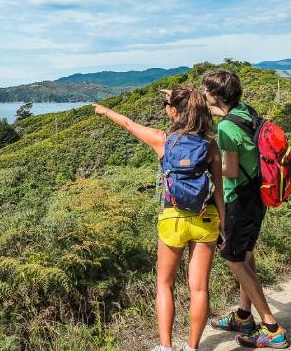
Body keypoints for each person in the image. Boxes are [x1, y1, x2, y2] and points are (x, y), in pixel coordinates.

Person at [94, 87, 225, 351]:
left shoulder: (163, 140)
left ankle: (165, 347)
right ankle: (192, 347)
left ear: (174, 111)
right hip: (205, 218)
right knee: (199, 289)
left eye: (168, 105)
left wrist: (104, 110)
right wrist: (224, 225)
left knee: (164, 285)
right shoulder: (210, 145)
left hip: (172, 219)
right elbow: (219, 191)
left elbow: (129, 124)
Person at [202, 70, 291, 349]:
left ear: (216, 95)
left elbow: (228, 168)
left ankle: (272, 327)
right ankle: (243, 316)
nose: (203, 93)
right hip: (257, 194)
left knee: (233, 258)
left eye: (205, 90)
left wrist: (206, 162)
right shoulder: (245, 112)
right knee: (245, 256)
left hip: (238, 199)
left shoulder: (226, 129)